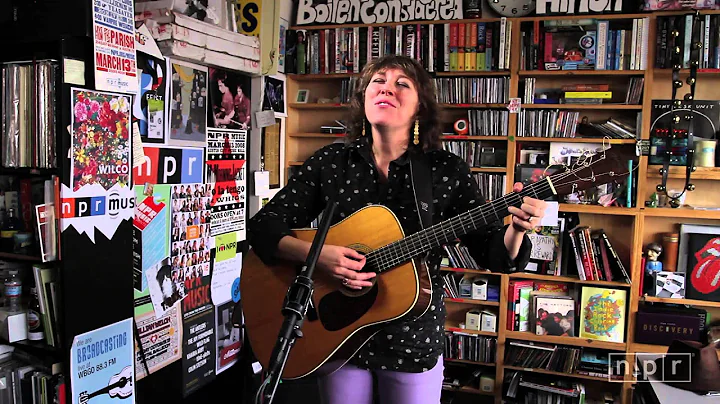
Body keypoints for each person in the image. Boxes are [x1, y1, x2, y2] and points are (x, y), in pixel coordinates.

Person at [247, 55, 546, 404]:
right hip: (335, 335)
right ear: (364, 99)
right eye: (378, 81)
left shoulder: (445, 170)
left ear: (420, 108)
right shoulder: (331, 163)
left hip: (410, 339)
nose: (387, 87)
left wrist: (518, 230)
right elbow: (263, 227)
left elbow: (494, 254)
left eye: (402, 83)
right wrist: (319, 257)